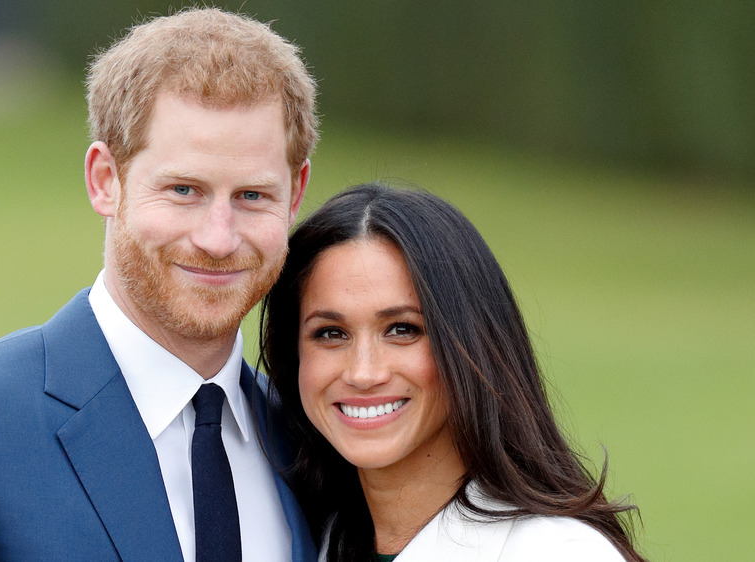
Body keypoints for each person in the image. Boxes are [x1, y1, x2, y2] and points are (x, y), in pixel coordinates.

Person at [0, 7, 318, 561]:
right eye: (184, 190)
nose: (218, 238)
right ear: (105, 180)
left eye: (252, 196)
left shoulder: (311, 442)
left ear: (295, 195)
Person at [259, 183, 647, 561]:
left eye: (402, 329)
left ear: (471, 345)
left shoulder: (556, 552)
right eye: (330, 333)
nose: (363, 373)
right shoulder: (303, 540)